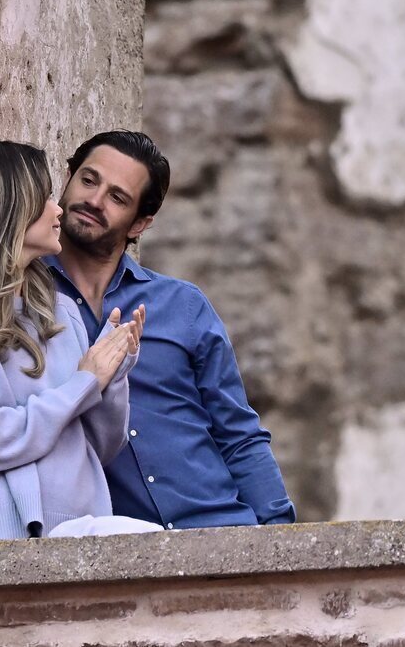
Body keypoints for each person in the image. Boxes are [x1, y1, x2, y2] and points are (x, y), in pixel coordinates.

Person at [45, 130, 295, 529]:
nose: (94, 200)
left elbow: (239, 433)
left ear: (140, 223)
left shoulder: (184, 306)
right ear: (68, 179)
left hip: (222, 527)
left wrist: (280, 534)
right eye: (88, 180)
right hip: (116, 549)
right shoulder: (23, 302)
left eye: (117, 197)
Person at [0, 141, 162, 541]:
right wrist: (85, 381)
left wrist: (112, 373)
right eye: (44, 197)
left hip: (79, 525)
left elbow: (96, 447)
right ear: (8, 213)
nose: (58, 209)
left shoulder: (60, 313)